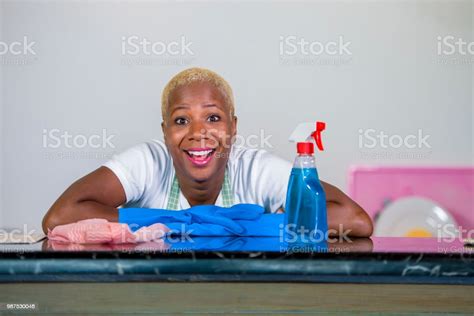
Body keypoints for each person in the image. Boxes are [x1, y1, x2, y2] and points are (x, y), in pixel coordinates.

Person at [42, 67, 373, 237]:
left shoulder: (254, 168)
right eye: (181, 120)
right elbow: (59, 217)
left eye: (213, 118)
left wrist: (254, 225)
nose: (198, 133)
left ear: (233, 128)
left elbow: (355, 220)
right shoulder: (147, 160)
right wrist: (191, 222)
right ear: (164, 132)